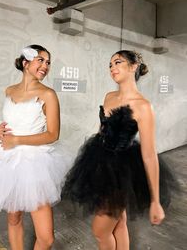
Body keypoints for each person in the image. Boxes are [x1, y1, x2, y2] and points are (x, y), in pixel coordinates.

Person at [62, 50, 176, 250]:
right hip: (99, 160)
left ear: (133, 67)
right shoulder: (109, 97)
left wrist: (155, 200)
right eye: (110, 65)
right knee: (119, 223)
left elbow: (149, 155)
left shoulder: (143, 106)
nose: (112, 68)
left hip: (123, 171)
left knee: (100, 230)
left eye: (118, 62)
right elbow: (103, 130)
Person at [0, 45, 71, 250]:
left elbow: (52, 135)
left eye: (48, 62)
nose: (45, 66)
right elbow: (11, 120)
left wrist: (17, 140)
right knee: (13, 219)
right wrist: (2, 129)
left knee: (46, 238)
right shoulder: (9, 90)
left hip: (34, 162)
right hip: (8, 161)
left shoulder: (48, 94)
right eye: (41, 60)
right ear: (25, 63)